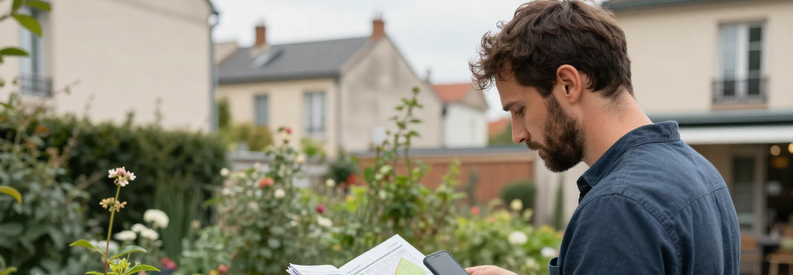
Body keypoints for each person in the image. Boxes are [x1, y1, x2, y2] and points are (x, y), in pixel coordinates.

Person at [465, 0, 741, 274]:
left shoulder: (619, 207)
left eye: (519, 110)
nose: (517, 134)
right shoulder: (703, 174)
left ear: (568, 84)